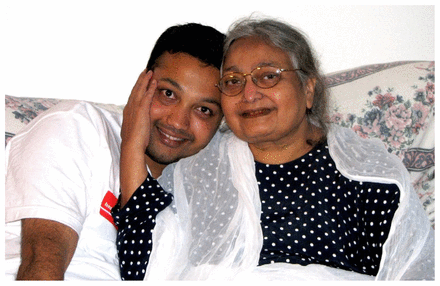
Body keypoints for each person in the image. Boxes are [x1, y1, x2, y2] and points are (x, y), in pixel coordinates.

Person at [115, 17, 434, 280]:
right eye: (233, 81)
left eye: (268, 76)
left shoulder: (370, 177)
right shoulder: (199, 170)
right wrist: (132, 146)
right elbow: (140, 269)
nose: (249, 93)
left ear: (308, 89)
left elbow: (414, 272)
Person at [4, 23, 225, 280]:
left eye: (204, 110)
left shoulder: (198, 186)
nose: (178, 122)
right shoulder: (79, 126)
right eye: (168, 93)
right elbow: (42, 257)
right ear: (142, 83)